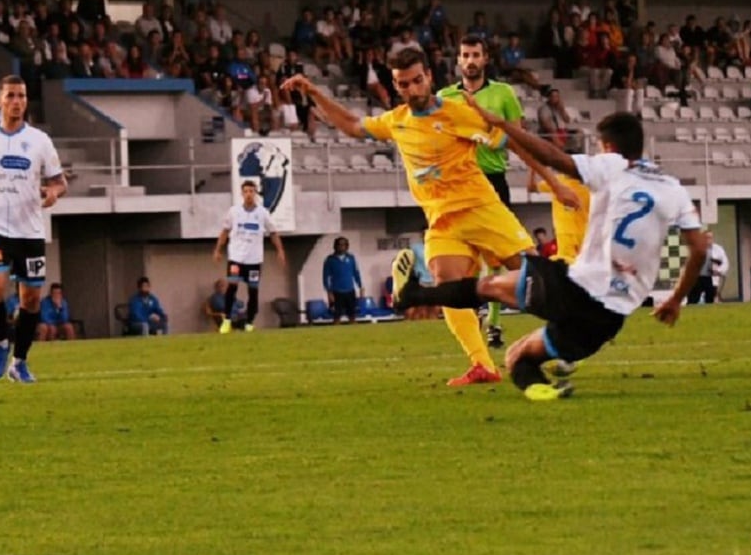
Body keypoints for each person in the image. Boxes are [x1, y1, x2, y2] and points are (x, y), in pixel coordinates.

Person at [281, 49, 580, 387]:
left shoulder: (458, 114)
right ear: (396, 86)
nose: (412, 88)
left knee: (537, 283)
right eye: (403, 84)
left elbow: (513, 142)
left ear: (429, 78)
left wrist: (553, 182)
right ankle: (482, 364)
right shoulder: (396, 120)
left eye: (417, 80)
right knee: (446, 285)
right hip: (443, 221)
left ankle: (571, 341)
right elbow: (352, 125)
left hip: (483, 210)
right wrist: (313, 92)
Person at [391, 110, 706, 401]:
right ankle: (544, 387)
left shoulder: (611, 166)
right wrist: (676, 299)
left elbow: (553, 156)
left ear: (608, 148)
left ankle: (416, 295)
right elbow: (700, 248)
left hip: (574, 287)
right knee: (519, 357)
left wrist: (504, 126)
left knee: (488, 287)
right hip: (609, 318)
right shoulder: (672, 187)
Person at [0, 75, 66, 383]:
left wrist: (53, 193)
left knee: (30, 300)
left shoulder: (40, 141)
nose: (17, 101)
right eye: (11, 96)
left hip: (29, 230)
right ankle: (1, 342)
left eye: (21, 96)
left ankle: (19, 362)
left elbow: (60, 182)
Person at [437, 35, 525, 349]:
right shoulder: (445, 96)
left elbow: (516, 133)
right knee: (462, 254)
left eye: (475, 54)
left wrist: (493, 139)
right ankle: (471, 318)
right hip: (457, 183)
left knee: (498, 255)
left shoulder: (503, 93)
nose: (470, 60)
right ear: (458, 60)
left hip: (492, 178)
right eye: (465, 55)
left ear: (485, 59)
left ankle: (495, 324)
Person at [213, 180, 287, 333]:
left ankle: (249, 322)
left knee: (253, 291)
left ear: (255, 193)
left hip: (254, 260)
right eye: (246, 191)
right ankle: (227, 320)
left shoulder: (262, 213)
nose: (248, 194)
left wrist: (280, 250)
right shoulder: (234, 211)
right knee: (232, 287)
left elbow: (273, 232)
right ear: (242, 193)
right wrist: (218, 249)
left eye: (251, 191)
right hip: (236, 258)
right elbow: (225, 231)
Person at [323, 236, 363, 325]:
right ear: (335, 246)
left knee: (352, 316)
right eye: (339, 245)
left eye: (344, 245)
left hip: (350, 290)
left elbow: (356, 273)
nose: (341, 247)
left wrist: (361, 286)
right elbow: (326, 277)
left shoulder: (351, 258)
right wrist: (329, 292)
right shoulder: (330, 260)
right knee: (337, 317)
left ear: (347, 246)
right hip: (337, 292)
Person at [688, 231, 730, 304]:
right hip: (698, 278)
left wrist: (718, 270)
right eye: (706, 238)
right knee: (693, 299)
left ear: (713, 239)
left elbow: (725, 263)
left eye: (710, 237)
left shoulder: (718, 249)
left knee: (710, 298)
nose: (708, 240)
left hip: (711, 278)